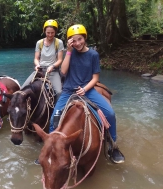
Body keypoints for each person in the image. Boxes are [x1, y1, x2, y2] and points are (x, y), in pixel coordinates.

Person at [49, 24, 125, 164]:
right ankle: (50, 149)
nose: (77, 43)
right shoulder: (70, 53)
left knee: (110, 114)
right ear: (69, 42)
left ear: (85, 38)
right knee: (53, 119)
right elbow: (63, 72)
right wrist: (69, 51)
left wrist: (84, 89)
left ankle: (113, 146)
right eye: (73, 40)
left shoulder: (93, 54)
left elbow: (95, 77)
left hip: (88, 90)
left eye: (80, 39)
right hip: (68, 91)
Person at [21, 19, 64, 101]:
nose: (50, 35)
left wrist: (52, 66)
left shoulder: (59, 43)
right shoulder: (39, 43)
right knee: (23, 88)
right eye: (48, 32)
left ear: (55, 32)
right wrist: (37, 65)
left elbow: (59, 60)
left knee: (58, 92)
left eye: (52, 33)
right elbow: (36, 58)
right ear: (44, 31)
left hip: (53, 71)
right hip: (40, 70)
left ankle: (58, 112)